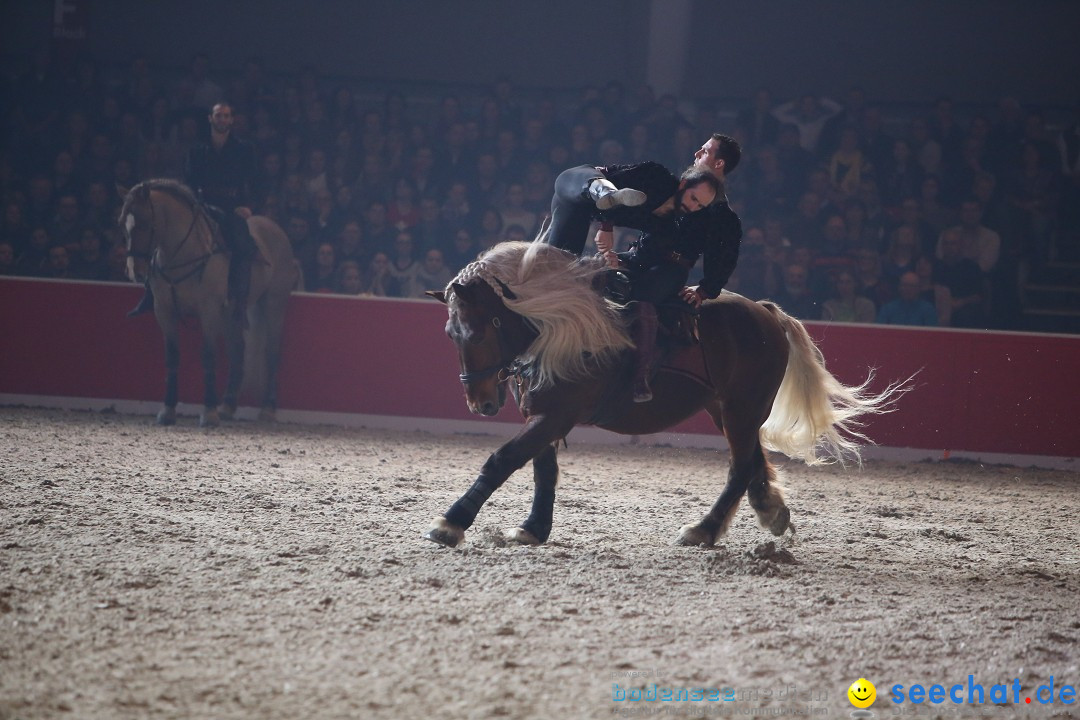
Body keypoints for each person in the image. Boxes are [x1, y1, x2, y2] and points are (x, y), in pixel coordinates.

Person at [127, 101, 258, 325]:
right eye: (219, 115)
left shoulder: (243, 149)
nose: (222, 119)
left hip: (231, 206)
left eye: (226, 116)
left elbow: (254, 180)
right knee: (160, 236)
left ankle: (239, 305)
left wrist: (247, 205)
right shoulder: (197, 149)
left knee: (243, 245)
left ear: (232, 120)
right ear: (210, 118)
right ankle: (150, 295)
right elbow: (188, 180)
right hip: (202, 204)